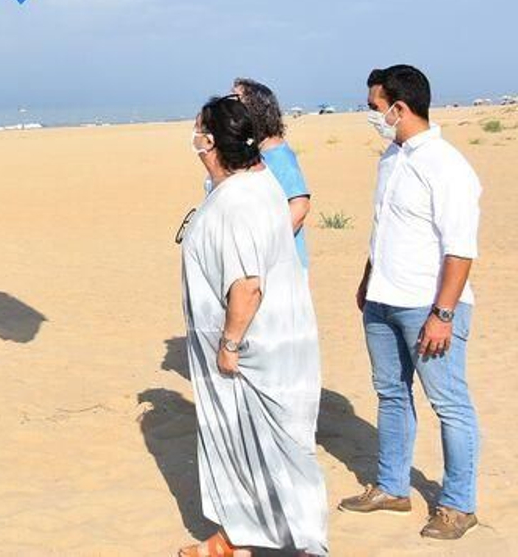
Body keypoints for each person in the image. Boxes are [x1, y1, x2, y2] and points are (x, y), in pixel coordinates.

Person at [178, 96, 327, 557]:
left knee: (281, 450)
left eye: (200, 130)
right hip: (271, 344)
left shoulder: (238, 201)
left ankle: (309, 547)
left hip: (255, 352)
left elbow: (246, 285)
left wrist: (230, 343)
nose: (194, 137)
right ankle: (234, 538)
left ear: (212, 143)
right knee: (239, 446)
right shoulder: (258, 183)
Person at [339, 65, 482, 541]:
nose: (371, 116)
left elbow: (460, 248)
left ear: (399, 108)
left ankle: (459, 505)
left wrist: (443, 314)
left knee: (449, 403)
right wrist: (367, 279)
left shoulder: (446, 165)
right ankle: (392, 486)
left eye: (374, 108)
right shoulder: (392, 156)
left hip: (428, 306)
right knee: (392, 394)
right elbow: (385, 228)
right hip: (382, 300)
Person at [233, 78, 313, 269]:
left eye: (236, 101)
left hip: (282, 267)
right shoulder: (258, 153)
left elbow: (300, 206)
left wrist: (266, 249)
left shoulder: (278, 156)